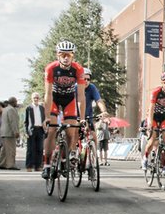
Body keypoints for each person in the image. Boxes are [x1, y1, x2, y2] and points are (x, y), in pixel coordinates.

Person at [42, 41, 86, 179]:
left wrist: (82, 118)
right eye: (63, 55)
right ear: (58, 55)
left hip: (69, 100)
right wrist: (47, 117)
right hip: (54, 99)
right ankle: (47, 165)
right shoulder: (51, 69)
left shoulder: (78, 69)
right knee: (52, 130)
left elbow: (81, 96)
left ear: (73, 56)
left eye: (69, 55)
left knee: (71, 131)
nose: (66, 58)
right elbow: (48, 94)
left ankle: (64, 158)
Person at [142, 72, 165, 171]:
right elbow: (151, 108)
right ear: (162, 83)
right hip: (154, 116)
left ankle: (163, 165)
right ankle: (145, 158)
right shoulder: (156, 92)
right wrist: (149, 123)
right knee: (153, 139)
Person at [83, 67, 108, 144]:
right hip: (76, 117)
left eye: (88, 79)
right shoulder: (75, 87)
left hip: (88, 116)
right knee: (73, 136)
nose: (86, 81)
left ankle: (94, 155)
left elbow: (99, 100)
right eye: (84, 79)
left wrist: (104, 111)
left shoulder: (92, 87)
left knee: (93, 136)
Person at [0, 97, 20, 170]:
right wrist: (16, 131)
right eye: (16, 101)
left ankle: (1, 163)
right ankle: (10, 165)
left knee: (4, 150)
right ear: (13, 102)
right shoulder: (11, 109)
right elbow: (12, 121)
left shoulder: (5, 109)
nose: (17, 103)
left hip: (4, 132)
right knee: (11, 149)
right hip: (9, 132)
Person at [25, 92, 46, 172]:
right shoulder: (29, 108)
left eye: (37, 98)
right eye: (34, 98)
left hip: (40, 129)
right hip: (32, 130)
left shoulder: (41, 108)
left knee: (40, 149)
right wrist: (26, 131)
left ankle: (38, 166)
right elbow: (26, 121)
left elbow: (44, 118)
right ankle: (29, 166)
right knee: (30, 149)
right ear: (32, 98)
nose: (36, 99)